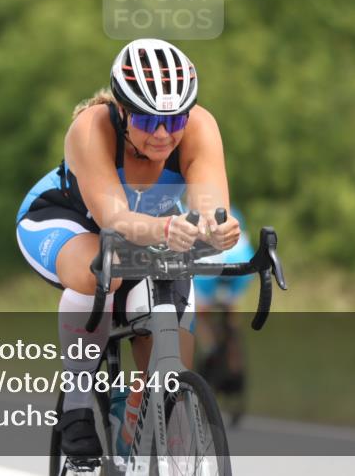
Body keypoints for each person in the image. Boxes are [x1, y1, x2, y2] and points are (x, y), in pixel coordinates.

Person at [16, 38, 241, 459]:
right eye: (148, 120)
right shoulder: (91, 128)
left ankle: (134, 427)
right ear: (122, 111)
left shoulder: (200, 128)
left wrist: (217, 228)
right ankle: (77, 407)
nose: (162, 134)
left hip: (153, 230)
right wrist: (168, 228)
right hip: (67, 220)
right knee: (104, 271)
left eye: (174, 120)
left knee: (171, 368)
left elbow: (210, 206)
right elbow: (114, 220)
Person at [192, 206, 255, 425]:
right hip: (240, 263)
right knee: (231, 314)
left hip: (207, 270)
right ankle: (234, 356)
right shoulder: (234, 210)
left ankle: (210, 349)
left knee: (201, 315)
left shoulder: (192, 208)